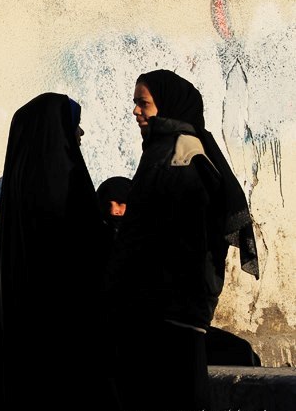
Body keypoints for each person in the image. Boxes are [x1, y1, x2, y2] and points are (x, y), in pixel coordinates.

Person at [107, 70, 259, 411]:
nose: (136, 111)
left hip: (170, 313)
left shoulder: (179, 154)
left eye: (143, 103)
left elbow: (178, 234)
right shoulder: (167, 149)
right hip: (167, 312)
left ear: (168, 106)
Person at [0, 93, 114, 410]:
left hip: (28, 340)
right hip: (68, 336)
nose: (80, 133)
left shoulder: (21, 187)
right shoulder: (65, 185)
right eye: (74, 124)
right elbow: (89, 255)